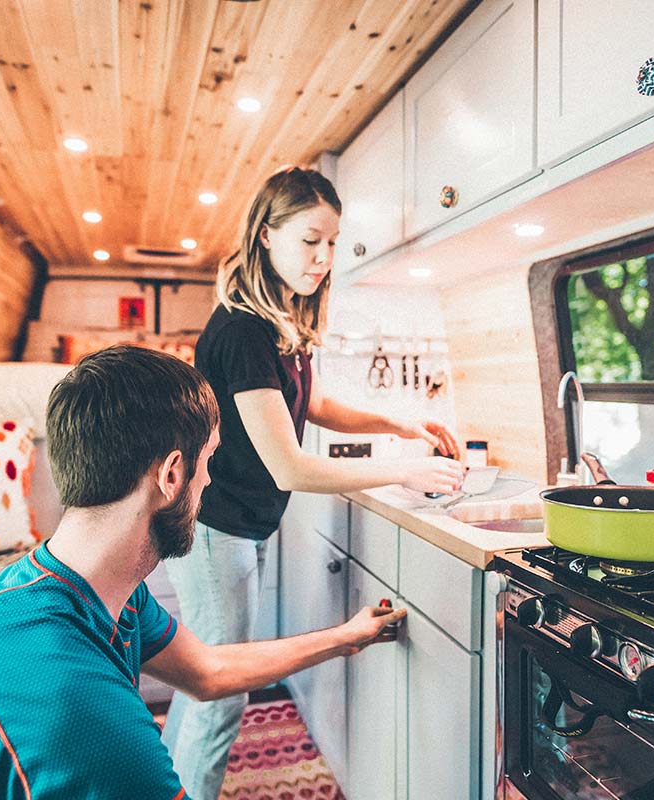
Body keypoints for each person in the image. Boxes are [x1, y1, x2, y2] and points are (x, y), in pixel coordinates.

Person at [0, 346, 405, 799]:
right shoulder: (80, 710)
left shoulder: (67, 583)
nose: (209, 484)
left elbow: (207, 672)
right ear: (173, 473)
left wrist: (345, 637)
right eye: (209, 462)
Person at [162, 166, 464, 798]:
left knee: (203, 678)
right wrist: (405, 467)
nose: (324, 258)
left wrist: (400, 423)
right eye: (310, 240)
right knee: (221, 693)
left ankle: (158, 785)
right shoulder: (243, 329)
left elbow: (313, 402)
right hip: (217, 527)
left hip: (239, 525)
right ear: (266, 236)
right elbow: (291, 465)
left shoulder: (278, 322)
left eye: (331, 242)